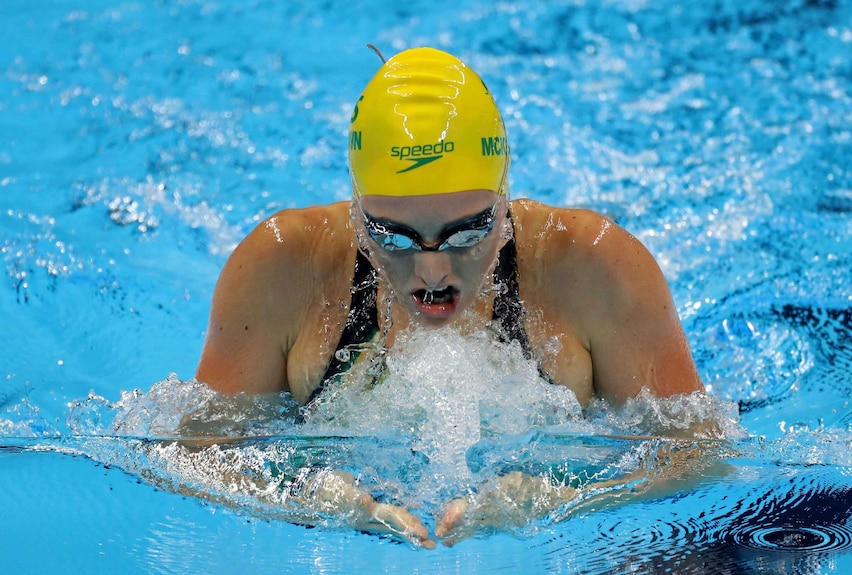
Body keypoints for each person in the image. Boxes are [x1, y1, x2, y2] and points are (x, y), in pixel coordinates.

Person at [194, 46, 704, 548]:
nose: (432, 270)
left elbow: (698, 455)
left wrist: (565, 498)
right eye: (392, 235)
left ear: (505, 196)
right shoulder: (281, 269)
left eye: (467, 232)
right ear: (356, 210)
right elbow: (192, 456)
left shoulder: (594, 266)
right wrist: (303, 499)